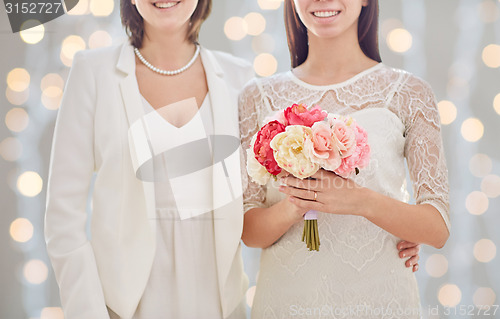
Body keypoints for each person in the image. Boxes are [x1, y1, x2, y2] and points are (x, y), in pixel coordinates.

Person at [239, 0, 450, 317]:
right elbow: (247, 229)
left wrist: (360, 201)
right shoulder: (256, 96)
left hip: (380, 299)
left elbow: (437, 227)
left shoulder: (410, 92)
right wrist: (296, 203)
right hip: (286, 301)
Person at [44, 0, 253, 318]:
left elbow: (257, 201)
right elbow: (63, 218)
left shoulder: (240, 78)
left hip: (220, 303)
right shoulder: (93, 72)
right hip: (124, 305)